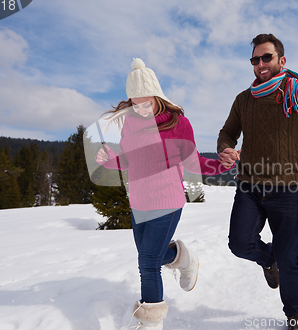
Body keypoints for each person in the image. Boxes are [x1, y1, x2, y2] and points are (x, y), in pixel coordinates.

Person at [217, 34, 298, 330]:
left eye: (266, 58)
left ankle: (294, 315)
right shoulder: (243, 100)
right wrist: (225, 148)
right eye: (255, 59)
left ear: (281, 60)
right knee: (239, 243)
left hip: (288, 189)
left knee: (290, 259)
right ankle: (268, 260)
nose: (260, 64)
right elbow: (227, 132)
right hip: (249, 185)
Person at [96, 58, 232, 330]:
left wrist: (221, 165)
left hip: (167, 202)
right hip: (139, 203)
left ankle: (151, 323)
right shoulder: (130, 124)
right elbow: (129, 159)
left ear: (158, 97)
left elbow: (192, 163)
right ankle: (183, 258)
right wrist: (111, 160)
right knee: (154, 257)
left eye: (146, 102)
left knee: (147, 263)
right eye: (135, 103)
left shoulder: (178, 123)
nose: (141, 108)